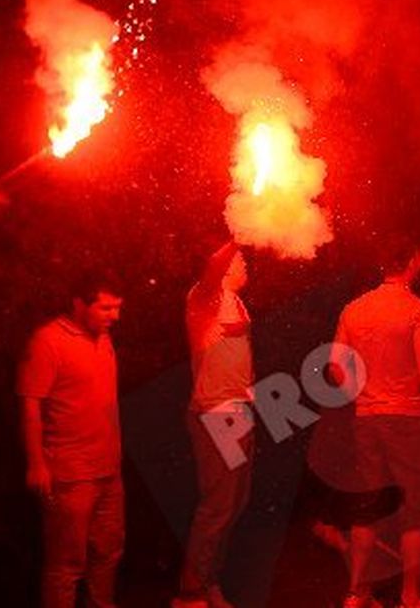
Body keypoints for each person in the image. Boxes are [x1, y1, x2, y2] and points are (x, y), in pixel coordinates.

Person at [331, 237, 420, 608]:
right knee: (416, 506)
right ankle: (411, 595)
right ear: (411, 262)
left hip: (367, 417)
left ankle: (355, 592)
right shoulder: (417, 309)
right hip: (407, 417)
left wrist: (361, 392)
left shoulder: (353, 309)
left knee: (369, 506)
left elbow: (334, 368)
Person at [17, 272, 125, 608]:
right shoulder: (47, 341)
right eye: (105, 308)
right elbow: (30, 405)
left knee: (108, 554)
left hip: (109, 469)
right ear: (79, 304)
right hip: (70, 474)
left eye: (117, 308)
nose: (114, 317)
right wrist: (36, 464)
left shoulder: (103, 338)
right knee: (67, 565)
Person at [174, 243, 254, 608]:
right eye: (239, 259)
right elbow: (211, 266)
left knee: (236, 503)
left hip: (239, 412)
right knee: (218, 505)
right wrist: (238, 234)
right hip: (216, 411)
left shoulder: (236, 301)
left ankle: (209, 581)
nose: (244, 263)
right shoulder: (204, 296)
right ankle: (190, 592)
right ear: (223, 268)